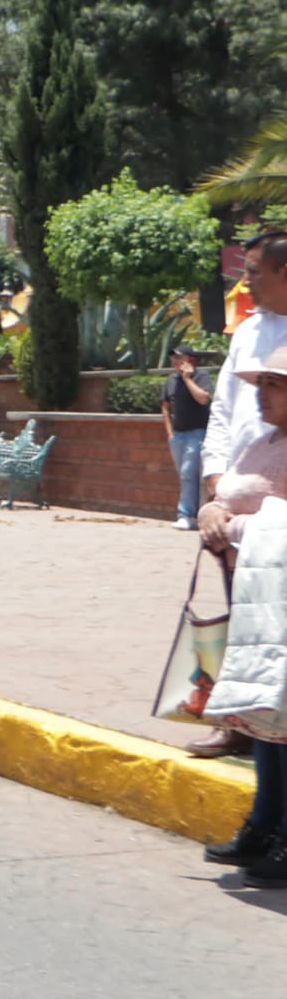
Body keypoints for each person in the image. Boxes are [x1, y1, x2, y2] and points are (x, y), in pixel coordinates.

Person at [191, 231, 287, 758]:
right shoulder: (247, 333)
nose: (244, 279)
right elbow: (223, 413)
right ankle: (238, 725)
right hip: (238, 499)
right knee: (240, 615)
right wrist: (214, 487)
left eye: (253, 270)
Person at [197, 343, 287, 884]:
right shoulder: (261, 443)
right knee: (264, 718)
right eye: (260, 383)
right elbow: (224, 496)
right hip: (256, 602)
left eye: (274, 384)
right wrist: (212, 511)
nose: (261, 393)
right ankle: (262, 826)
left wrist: (234, 529)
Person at [163, 343, 212, 531]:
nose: (174, 361)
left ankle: (186, 514)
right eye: (173, 358)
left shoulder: (202, 376)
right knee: (186, 476)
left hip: (196, 433)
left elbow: (203, 398)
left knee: (188, 474)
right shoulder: (170, 380)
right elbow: (165, 406)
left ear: (190, 360)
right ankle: (194, 515)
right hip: (178, 436)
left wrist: (187, 379)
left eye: (178, 357)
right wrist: (170, 433)